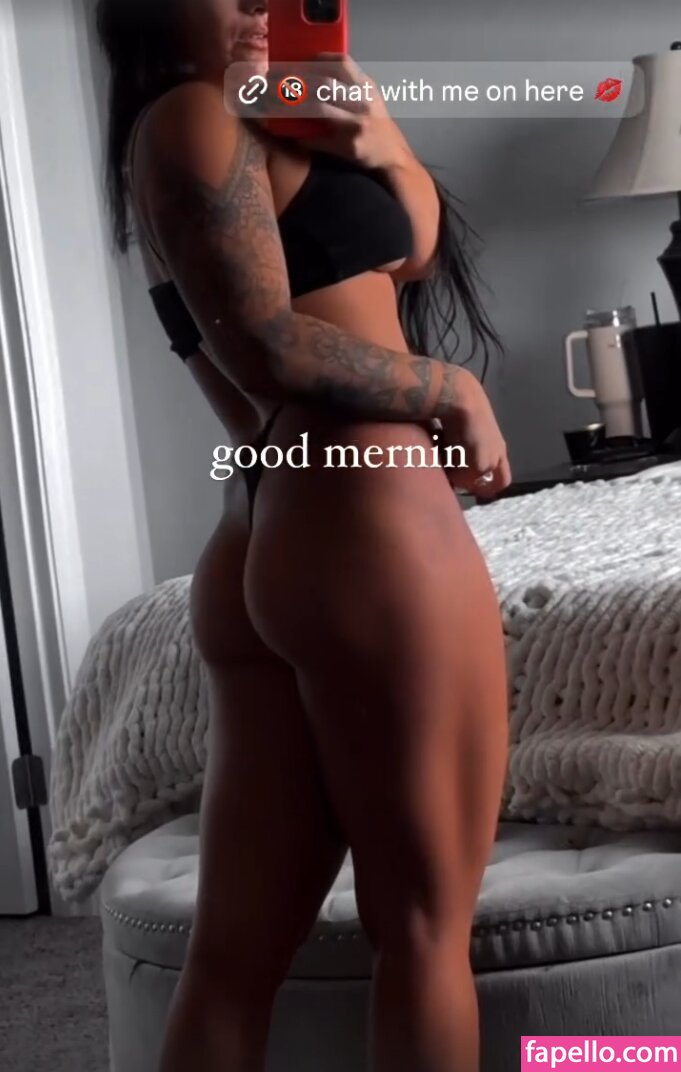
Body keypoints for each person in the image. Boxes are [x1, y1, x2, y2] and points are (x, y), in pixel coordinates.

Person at [96, 2, 511, 1069]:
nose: (254, 5)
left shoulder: (252, 112)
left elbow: (409, 253)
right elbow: (270, 346)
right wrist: (449, 386)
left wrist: (381, 136)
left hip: (279, 525)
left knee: (235, 958)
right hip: (364, 517)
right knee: (423, 930)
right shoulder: (193, 116)